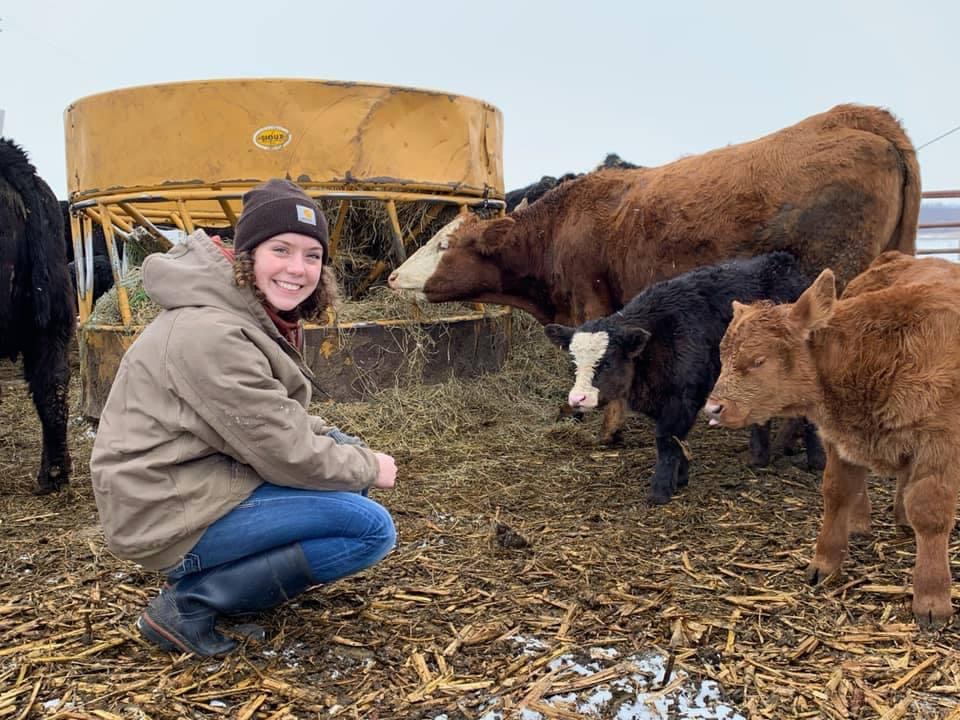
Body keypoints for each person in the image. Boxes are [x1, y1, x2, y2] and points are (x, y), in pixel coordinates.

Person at [90, 179, 397, 657]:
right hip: (163, 511)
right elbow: (284, 451)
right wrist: (366, 465)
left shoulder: (240, 315)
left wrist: (341, 444)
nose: (298, 268)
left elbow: (271, 415)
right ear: (247, 254)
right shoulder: (211, 334)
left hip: (193, 482)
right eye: (281, 249)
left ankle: (224, 580)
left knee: (342, 481)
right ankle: (188, 604)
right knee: (368, 527)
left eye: (312, 255)